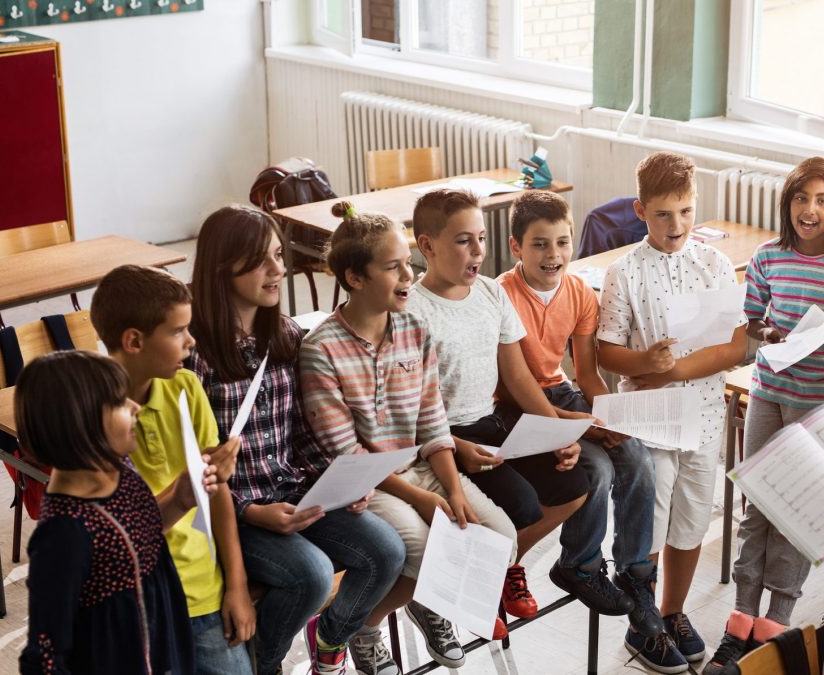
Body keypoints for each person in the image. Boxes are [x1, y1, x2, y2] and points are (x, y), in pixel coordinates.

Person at [187, 205, 405, 675]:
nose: (278, 270)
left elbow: (301, 436)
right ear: (223, 266)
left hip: (291, 493)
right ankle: (266, 663)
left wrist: (340, 484)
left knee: (386, 552)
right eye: (262, 260)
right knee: (310, 574)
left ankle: (329, 639)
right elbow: (196, 467)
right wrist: (251, 511)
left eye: (278, 256)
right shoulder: (195, 355)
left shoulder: (284, 335)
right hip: (234, 512)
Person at [300, 201, 519, 669]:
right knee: (424, 551)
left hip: (422, 468)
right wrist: (423, 500)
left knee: (500, 538)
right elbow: (349, 456)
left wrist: (454, 490)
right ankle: (349, 626)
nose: (408, 275)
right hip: (368, 484)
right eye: (393, 266)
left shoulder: (415, 328)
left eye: (408, 263)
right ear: (355, 278)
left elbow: (432, 421)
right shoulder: (320, 351)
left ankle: (404, 606)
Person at [705, 157, 824, 674]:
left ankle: (776, 625)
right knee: (758, 504)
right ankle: (740, 620)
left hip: (820, 401)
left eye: (822, 200)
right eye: (801, 198)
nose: (810, 209)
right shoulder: (769, 256)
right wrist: (771, 335)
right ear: (788, 203)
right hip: (770, 390)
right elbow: (753, 318)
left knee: (797, 515)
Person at [405, 189, 589, 627]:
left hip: (489, 421)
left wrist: (555, 431)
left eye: (481, 238)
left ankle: (497, 569)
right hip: (443, 435)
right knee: (522, 504)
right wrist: (454, 444)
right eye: (463, 240)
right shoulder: (412, 310)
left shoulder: (489, 293)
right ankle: (461, 585)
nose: (478, 252)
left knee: (573, 486)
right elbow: (406, 407)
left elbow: (519, 376)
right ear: (427, 246)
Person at [597, 151, 747, 672]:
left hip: (704, 417)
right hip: (651, 422)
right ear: (641, 210)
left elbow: (736, 346)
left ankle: (674, 611)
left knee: (690, 525)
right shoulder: (624, 272)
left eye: (684, 211)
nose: (675, 224)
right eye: (663, 213)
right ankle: (645, 625)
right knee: (650, 531)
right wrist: (645, 361)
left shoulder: (715, 264)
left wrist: (672, 370)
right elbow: (604, 353)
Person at [497, 191, 661, 638]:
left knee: (638, 458)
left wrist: (605, 415)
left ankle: (636, 571)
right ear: (517, 247)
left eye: (563, 242)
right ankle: (580, 565)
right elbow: (514, 384)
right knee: (598, 469)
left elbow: (586, 376)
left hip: (558, 393)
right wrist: (570, 427)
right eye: (540, 244)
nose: (554, 255)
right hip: (510, 405)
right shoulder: (500, 295)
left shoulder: (579, 294)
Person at [89, 264, 253, 674]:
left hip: (202, 592)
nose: (192, 342)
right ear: (134, 341)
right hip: (136, 602)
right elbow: (114, 538)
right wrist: (182, 493)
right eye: (178, 331)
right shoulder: (91, 415)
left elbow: (217, 497)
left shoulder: (186, 388)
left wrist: (236, 585)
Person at [19, 350, 218, 674]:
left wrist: (182, 497)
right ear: (82, 423)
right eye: (120, 403)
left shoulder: (119, 468)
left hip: (164, 647)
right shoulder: (63, 534)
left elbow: (137, 533)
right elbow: (45, 655)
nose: (135, 407)